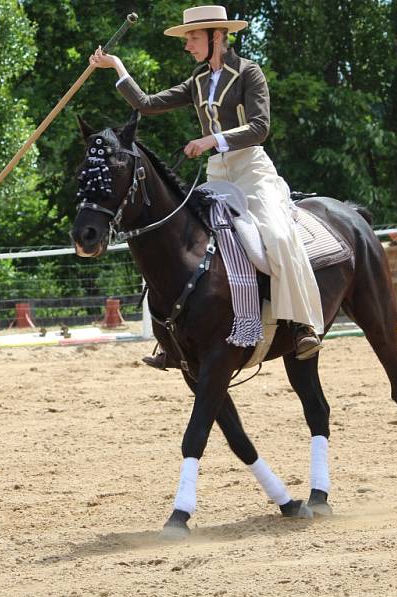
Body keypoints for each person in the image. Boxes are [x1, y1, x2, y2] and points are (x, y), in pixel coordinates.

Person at [89, 5, 324, 364]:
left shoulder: (249, 73)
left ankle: (301, 325)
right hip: (218, 174)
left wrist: (211, 140)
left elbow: (260, 127)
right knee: (181, 239)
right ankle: (172, 337)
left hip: (251, 170)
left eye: (193, 38)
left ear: (217, 36)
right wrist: (117, 66)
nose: (187, 46)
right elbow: (148, 104)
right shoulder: (198, 80)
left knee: (276, 235)